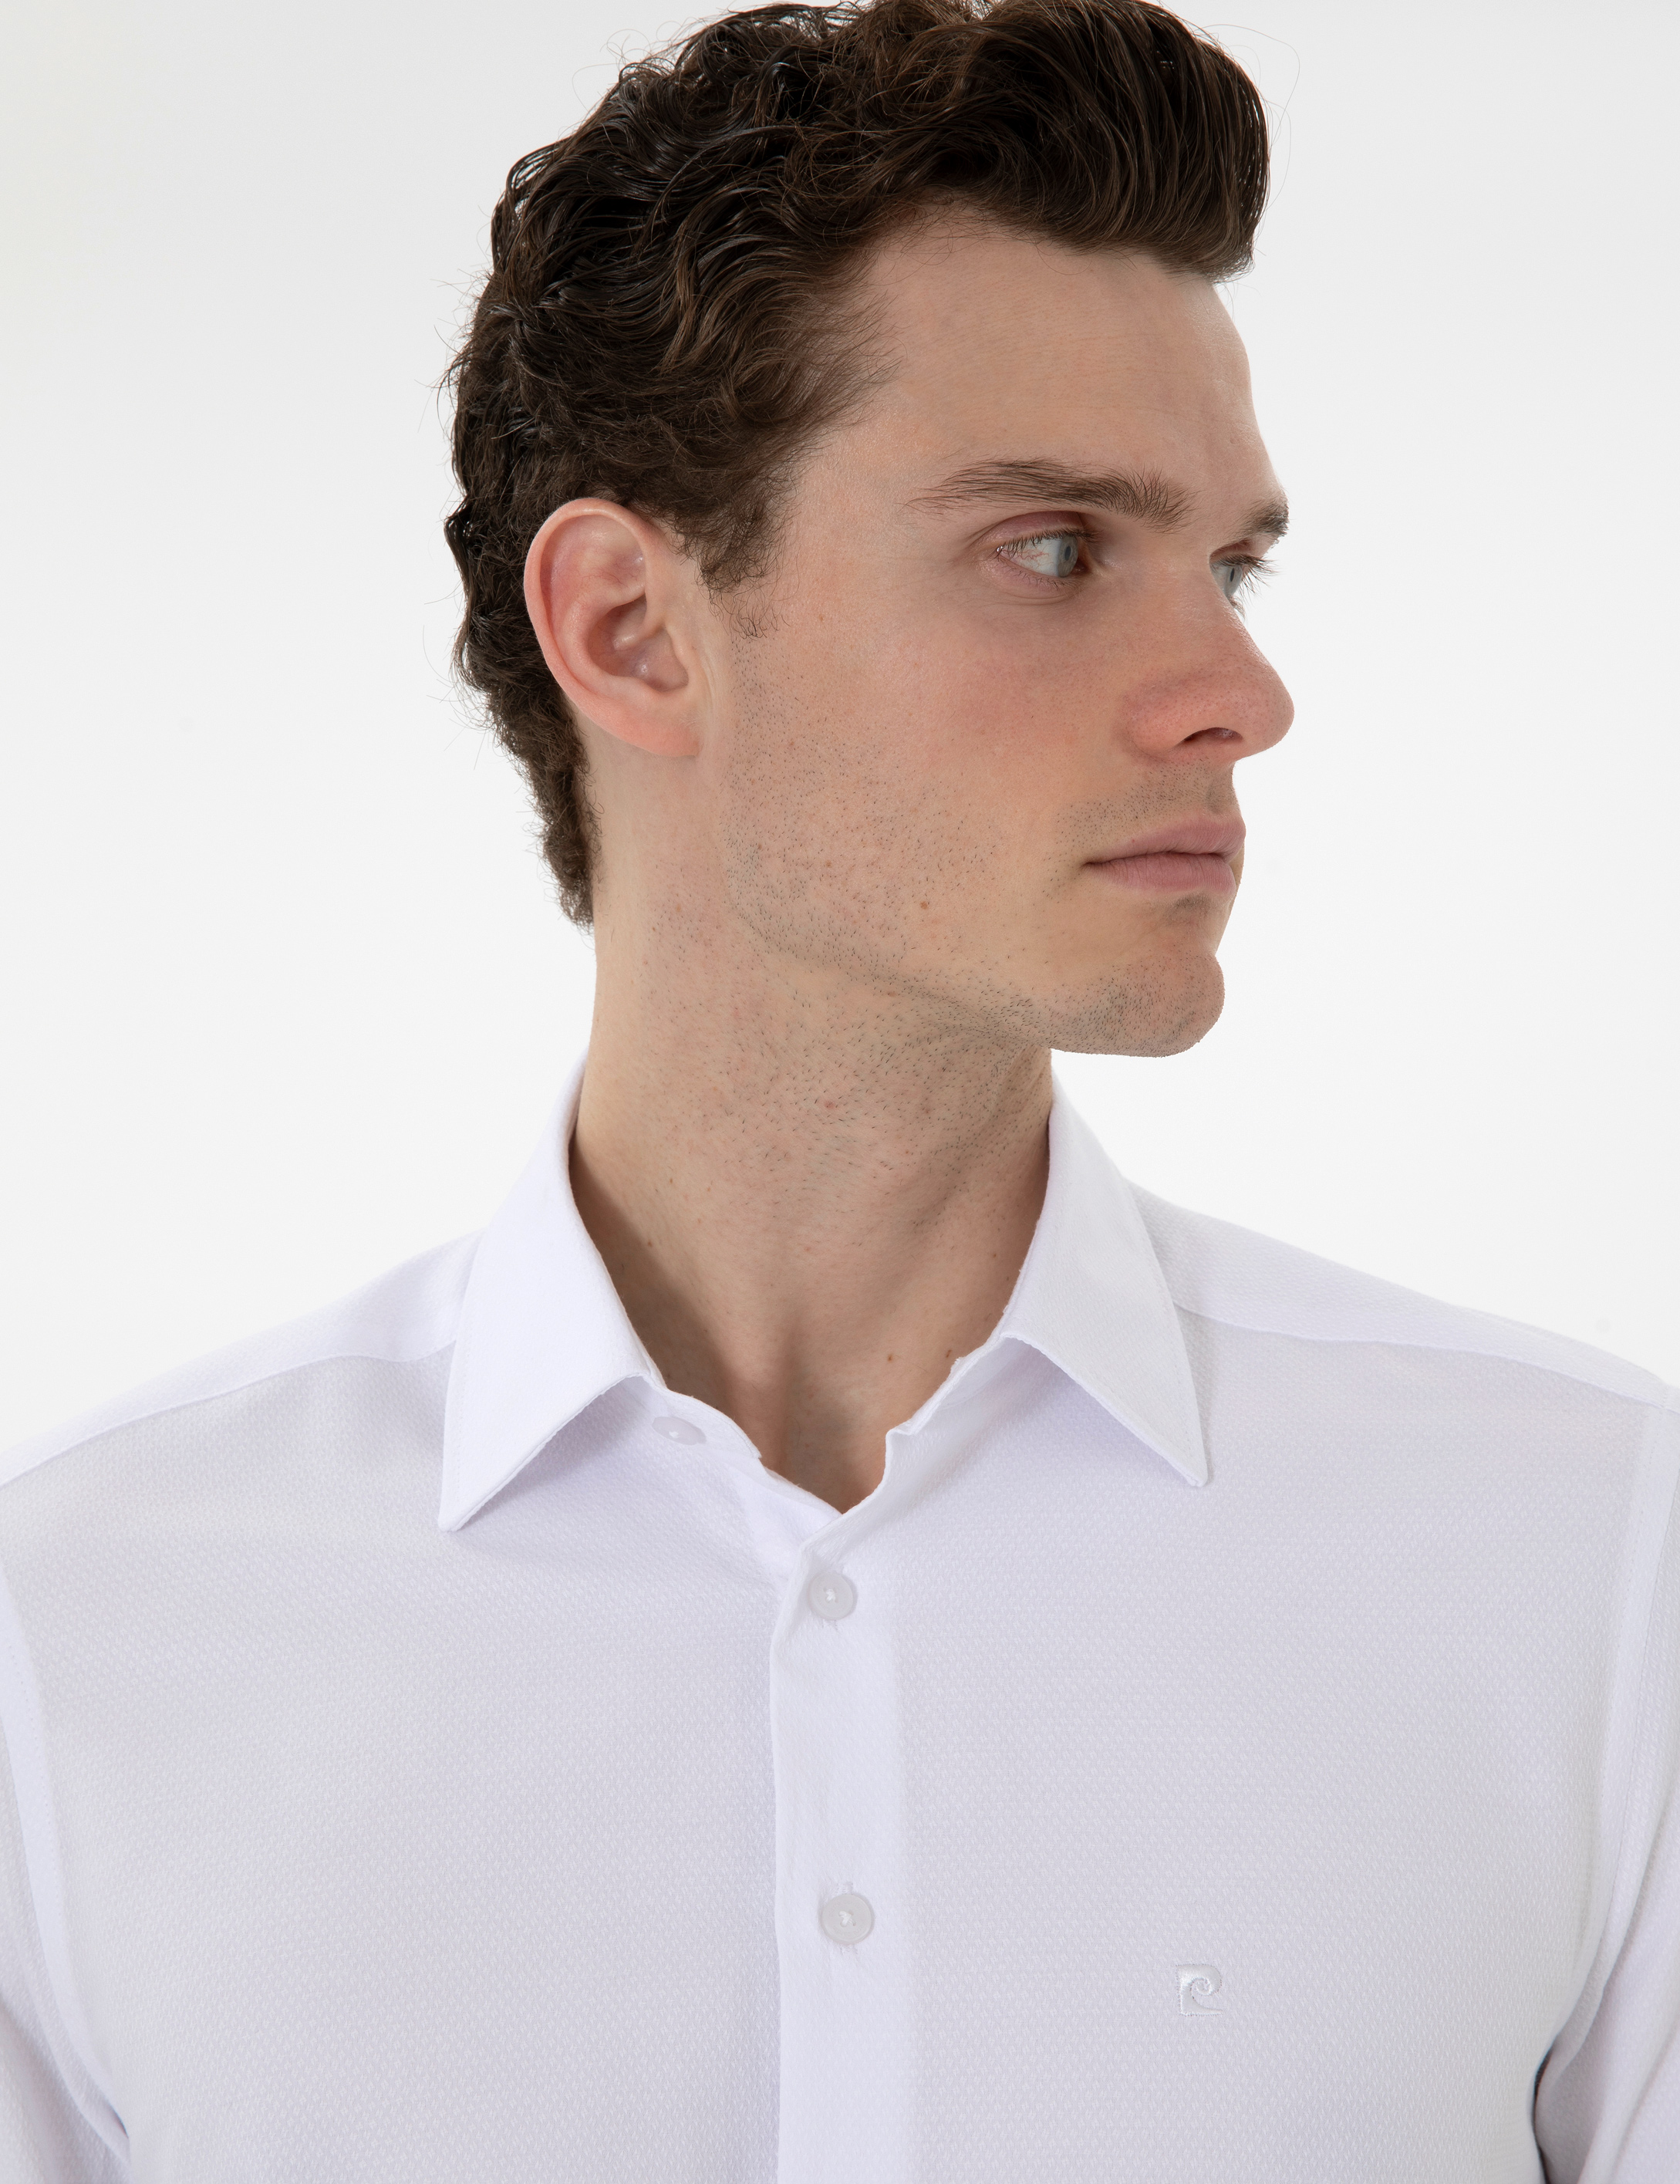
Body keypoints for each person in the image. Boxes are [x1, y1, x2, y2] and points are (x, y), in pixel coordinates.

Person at [1, 0, 1674, 2175]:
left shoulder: (1593, 1568)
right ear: (632, 627)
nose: (1240, 692)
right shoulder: (78, 1637)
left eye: (1231, 564)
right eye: (1055, 547)